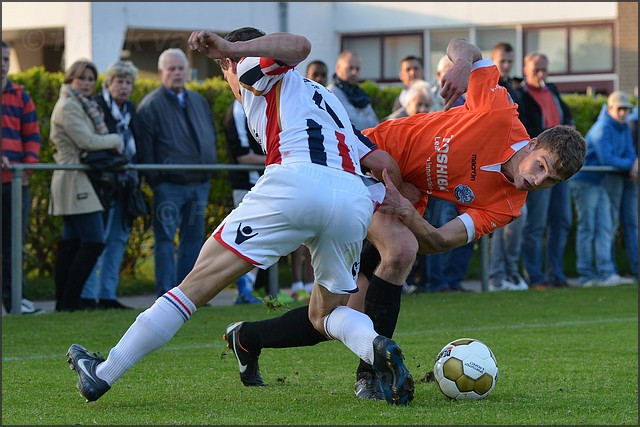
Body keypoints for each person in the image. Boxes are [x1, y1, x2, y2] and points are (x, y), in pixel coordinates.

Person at [216, 37, 587, 402]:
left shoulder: (510, 204)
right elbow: (464, 46)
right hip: (368, 158)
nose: (537, 180)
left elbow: (441, 241)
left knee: (341, 314)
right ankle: (373, 375)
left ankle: (247, 337)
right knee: (401, 248)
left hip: (405, 195)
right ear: (534, 142)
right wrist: (461, 65)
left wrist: (409, 212)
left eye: (550, 179)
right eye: (540, 166)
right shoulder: (499, 113)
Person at [66, 26, 415, 406]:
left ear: (230, 64)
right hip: (351, 198)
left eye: (224, 71)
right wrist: (394, 200)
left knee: (194, 286)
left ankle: (102, 373)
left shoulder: (250, 67)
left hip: (295, 181)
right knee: (326, 313)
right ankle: (375, 345)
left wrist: (233, 49)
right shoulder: (327, 100)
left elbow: (300, 45)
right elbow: (381, 162)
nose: (231, 82)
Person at [136, 48, 218, 297]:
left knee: (194, 240)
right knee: (164, 239)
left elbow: (210, 135)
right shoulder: (150, 105)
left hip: (198, 184)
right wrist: (157, 181)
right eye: (171, 69)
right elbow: (145, 148)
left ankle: (188, 294)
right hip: (169, 186)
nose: (177, 73)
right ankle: (165, 293)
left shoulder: (197, 100)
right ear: (161, 72)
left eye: (181, 68)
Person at [48, 59, 121, 312]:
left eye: (91, 78)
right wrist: (115, 139)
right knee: (93, 241)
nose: (88, 83)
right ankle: (69, 301)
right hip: (72, 177)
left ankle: (65, 303)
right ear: (70, 80)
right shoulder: (68, 105)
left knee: (72, 242)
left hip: (78, 176)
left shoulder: (82, 104)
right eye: (82, 78)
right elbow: (87, 140)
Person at [79, 60, 141, 310]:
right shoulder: (97, 106)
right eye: (119, 82)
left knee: (117, 240)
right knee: (98, 239)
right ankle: (87, 295)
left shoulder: (132, 109)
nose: (124, 87)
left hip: (127, 183)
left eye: (128, 82)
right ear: (108, 83)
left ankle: (107, 294)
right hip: (102, 182)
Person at [515, 52, 575, 290]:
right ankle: (535, 276)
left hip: (561, 167)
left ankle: (556, 274)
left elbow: (565, 114)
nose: (541, 74)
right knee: (536, 224)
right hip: (541, 166)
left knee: (562, 221)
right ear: (526, 69)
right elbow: (526, 129)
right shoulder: (521, 94)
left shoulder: (552, 89)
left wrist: (568, 129)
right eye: (536, 69)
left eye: (544, 69)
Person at [572, 91, 637, 287]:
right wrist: (633, 164)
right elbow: (607, 159)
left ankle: (606, 273)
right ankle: (586, 275)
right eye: (620, 109)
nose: (624, 113)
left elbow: (629, 153)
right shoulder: (602, 128)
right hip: (585, 181)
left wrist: (634, 161)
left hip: (599, 183)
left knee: (605, 227)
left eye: (627, 109)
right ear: (610, 109)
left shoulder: (623, 127)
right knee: (588, 228)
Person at [422, 54, 474, 293]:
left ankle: (453, 280)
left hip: (464, 178)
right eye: (447, 72)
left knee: (465, 230)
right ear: (439, 76)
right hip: (438, 177)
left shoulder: (470, 102)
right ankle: (436, 281)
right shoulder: (431, 102)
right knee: (438, 228)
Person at [1, 40, 44, 314]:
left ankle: (16, 300)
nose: (3, 63)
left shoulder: (20, 95)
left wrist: (26, 171)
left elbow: (33, 136)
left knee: (14, 245)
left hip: (14, 184)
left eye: (6, 58)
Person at [487, 42, 528, 292]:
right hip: (495, 165)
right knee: (500, 225)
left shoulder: (516, 90)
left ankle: (510, 273)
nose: (506, 65)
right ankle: (495, 277)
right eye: (501, 60)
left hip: (519, 164)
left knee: (517, 223)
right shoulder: (487, 88)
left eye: (509, 61)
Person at [222, 98, 264, 305]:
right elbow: (243, 157)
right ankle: (243, 289)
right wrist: (278, 158)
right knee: (247, 239)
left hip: (263, 182)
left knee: (260, 238)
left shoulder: (257, 104)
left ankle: (248, 288)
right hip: (247, 185)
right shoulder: (237, 111)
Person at [327, 50, 379, 131]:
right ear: (338, 68)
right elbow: (353, 124)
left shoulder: (360, 94)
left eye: (357, 69)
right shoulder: (330, 93)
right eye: (350, 68)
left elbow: (375, 123)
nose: (354, 72)